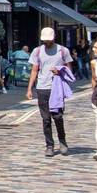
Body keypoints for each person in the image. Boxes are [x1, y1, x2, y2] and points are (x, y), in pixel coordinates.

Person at [25, 27, 73, 157]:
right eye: (45, 40)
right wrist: (29, 88)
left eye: (49, 40)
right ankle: (49, 145)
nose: (47, 42)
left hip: (56, 88)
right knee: (46, 119)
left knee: (57, 117)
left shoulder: (63, 51)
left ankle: (62, 142)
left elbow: (69, 70)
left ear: (54, 38)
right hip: (42, 88)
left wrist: (60, 71)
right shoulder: (37, 51)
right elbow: (34, 70)